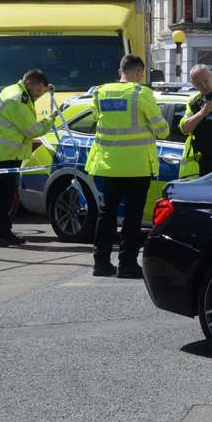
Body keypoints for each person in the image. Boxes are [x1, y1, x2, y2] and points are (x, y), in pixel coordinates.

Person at [86, 54, 168, 278]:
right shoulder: (141, 94)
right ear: (139, 72)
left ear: (120, 69)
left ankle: (100, 264)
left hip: (108, 164)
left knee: (106, 214)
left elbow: (98, 119)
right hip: (136, 166)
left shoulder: (100, 92)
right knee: (132, 217)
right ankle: (127, 265)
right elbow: (162, 129)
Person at [0, 69, 54, 247]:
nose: (39, 96)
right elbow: (33, 131)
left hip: (2, 153)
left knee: (6, 197)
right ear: (29, 84)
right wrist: (51, 119)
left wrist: (44, 90)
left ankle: (4, 232)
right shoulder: (18, 100)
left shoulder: (12, 90)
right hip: (0, 154)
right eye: (38, 91)